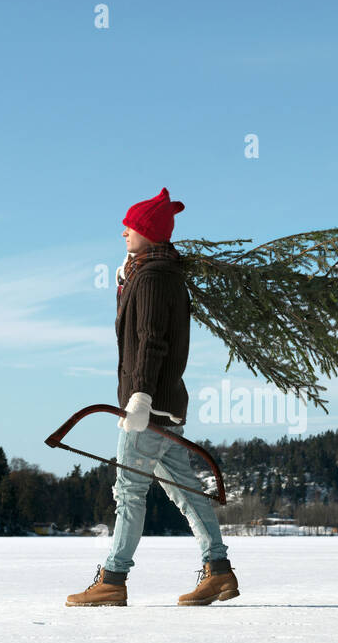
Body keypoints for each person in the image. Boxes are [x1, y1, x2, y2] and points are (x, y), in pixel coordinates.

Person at [66, 188, 240, 608]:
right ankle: (219, 572)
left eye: (131, 226)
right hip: (162, 405)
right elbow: (141, 332)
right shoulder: (153, 273)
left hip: (149, 405)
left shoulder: (156, 277)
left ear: (148, 232)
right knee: (186, 492)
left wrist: (139, 394)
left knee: (128, 491)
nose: (123, 231)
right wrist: (125, 284)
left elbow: (151, 341)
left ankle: (113, 578)